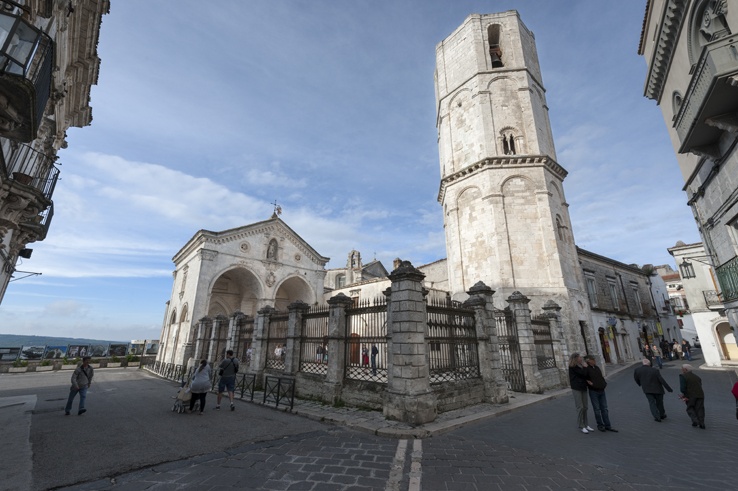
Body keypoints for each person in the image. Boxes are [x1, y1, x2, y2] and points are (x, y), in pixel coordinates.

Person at [584, 355, 617, 432]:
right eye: (593, 359)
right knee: (597, 409)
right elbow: (584, 378)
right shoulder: (587, 369)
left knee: (604, 409)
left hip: (601, 390)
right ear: (589, 361)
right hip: (593, 391)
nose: (594, 360)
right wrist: (591, 384)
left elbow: (601, 377)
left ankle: (608, 425)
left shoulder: (597, 368)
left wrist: (604, 384)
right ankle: (600, 425)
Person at [568, 352, 594, 434]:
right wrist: (585, 367)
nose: (581, 359)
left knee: (585, 406)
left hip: (583, 387)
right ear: (576, 359)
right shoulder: (573, 367)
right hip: (576, 388)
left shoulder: (581, 366)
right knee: (580, 407)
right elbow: (582, 374)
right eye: (579, 357)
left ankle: (586, 424)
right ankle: (581, 425)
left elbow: (586, 375)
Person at [679, 364, 705, 428]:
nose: (681, 370)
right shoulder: (697, 377)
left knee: (690, 408)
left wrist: (684, 395)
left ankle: (695, 420)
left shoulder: (683, 376)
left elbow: (682, 388)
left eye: (682, 369)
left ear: (685, 369)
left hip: (690, 395)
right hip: (700, 394)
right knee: (700, 409)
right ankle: (702, 423)